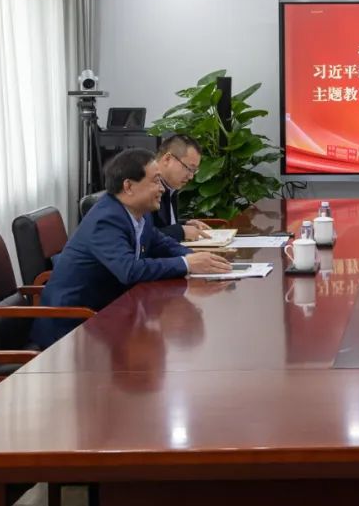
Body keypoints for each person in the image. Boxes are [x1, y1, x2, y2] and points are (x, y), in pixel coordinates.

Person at [33, 148, 231, 348]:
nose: (162, 189)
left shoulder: (139, 213)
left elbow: (162, 243)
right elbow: (129, 270)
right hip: (72, 327)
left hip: (107, 314)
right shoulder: (106, 220)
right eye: (155, 181)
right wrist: (186, 264)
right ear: (128, 186)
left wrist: (199, 259)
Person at [153, 134, 215, 242]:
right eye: (189, 168)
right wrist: (180, 231)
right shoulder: (145, 186)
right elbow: (143, 235)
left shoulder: (170, 187)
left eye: (194, 171)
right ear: (167, 159)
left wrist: (184, 224)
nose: (191, 176)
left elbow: (162, 225)